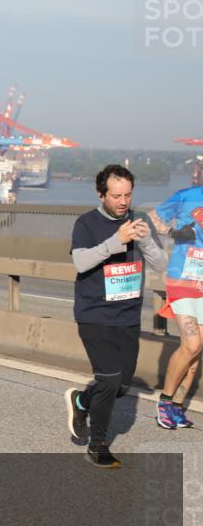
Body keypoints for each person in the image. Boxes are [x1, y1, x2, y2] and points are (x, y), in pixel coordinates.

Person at [65, 165, 167, 468]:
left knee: (121, 386)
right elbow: (81, 263)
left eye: (128, 195)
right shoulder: (86, 223)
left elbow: (161, 264)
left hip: (128, 316)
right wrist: (115, 242)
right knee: (109, 379)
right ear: (102, 194)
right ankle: (98, 445)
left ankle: (82, 401)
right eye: (116, 196)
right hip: (94, 315)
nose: (123, 201)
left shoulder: (140, 221)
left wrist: (146, 240)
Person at [148, 184, 202, 429]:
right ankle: (165, 401)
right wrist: (173, 232)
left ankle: (178, 406)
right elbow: (151, 219)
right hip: (182, 277)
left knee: (196, 348)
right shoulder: (185, 196)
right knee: (191, 343)